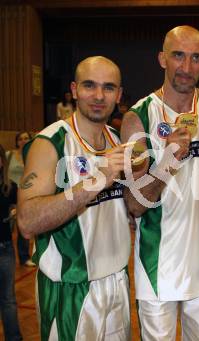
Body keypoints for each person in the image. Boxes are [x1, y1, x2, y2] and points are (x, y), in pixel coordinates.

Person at [121, 25, 199, 341]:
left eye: (195, 58)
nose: (186, 68)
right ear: (162, 59)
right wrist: (170, 159)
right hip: (157, 262)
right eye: (178, 56)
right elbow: (134, 204)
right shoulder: (140, 117)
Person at [17, 56, 131, 340]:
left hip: (117, 280)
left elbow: (129, 208)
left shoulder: (119, 140)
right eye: (89, 85)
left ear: (118, 95)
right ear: (75, 89)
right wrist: (97, 181)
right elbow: (27, 222)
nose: (98, 96)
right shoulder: (50, 142)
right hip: (70, 288)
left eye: (108, 87)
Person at [0, 144, 23, 341]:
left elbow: (20, 207)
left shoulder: (9, 187)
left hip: (5, 248)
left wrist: (16, 213)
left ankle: (14, 337)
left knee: (8, 300)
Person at [7, 131, 34, 267]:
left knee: (24, 225)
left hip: (26, 195)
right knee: (8, 226)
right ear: (17, 141)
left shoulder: (34, 156)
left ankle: (24, 257)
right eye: (21, 139)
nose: (23, 141)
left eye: (26, 138)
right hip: (9, 195)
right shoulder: (9, 155)